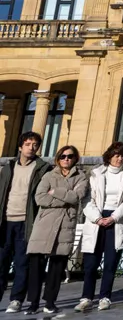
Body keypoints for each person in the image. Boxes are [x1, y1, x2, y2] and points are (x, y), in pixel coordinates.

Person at [25, 145, 87, 316]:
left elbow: (76, 196)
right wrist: (64, 197)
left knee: (57, 267)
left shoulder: (81, 177)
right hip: (44, 225)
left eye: (70, 156)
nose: (66, 159)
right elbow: (40, 198)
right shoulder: (48, 175)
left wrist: (55, 192)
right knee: (36, 266)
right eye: (63, 156)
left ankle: (50, 302)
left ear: (75, 158)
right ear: (58, 159)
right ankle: (33, 303)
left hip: (65, 226)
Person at [77, 141, 123, 312]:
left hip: (117, 219)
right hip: (96, 219)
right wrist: (97, 218)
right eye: (117, 155)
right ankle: (86, 297)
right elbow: (87, 199)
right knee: (90, 263)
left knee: (111, 263)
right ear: (109, 156)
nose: (120, 158)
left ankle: (105, 297)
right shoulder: (95, 173)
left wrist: (113, 217)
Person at [0, 131, 50, 314]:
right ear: (20, 146)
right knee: (1, 261)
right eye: (28, 144)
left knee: (22, 262)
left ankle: (16, 299)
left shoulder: (43, 168)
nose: (32, 147)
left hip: (27, 221)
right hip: (5, 221)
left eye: (35, 144)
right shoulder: (8, 167)